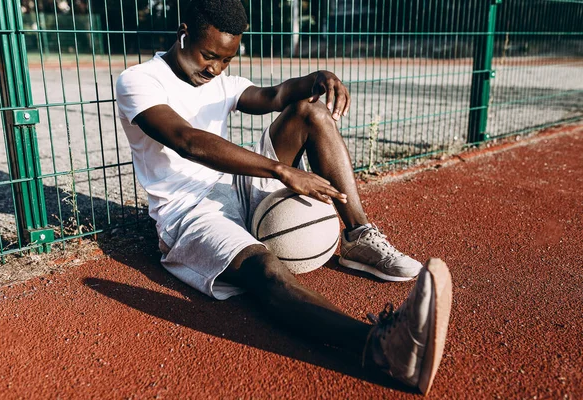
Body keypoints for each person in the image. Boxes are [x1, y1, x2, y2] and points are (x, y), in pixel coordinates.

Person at [116, 0, 452, 394]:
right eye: (209, 56)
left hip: (234, 184)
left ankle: (359, 235)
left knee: (310, 112)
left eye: (226, 60)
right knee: (266, 271)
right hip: (189, 212)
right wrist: (282, 171)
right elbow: (187, 141)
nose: (215, 69)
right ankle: (382, 347)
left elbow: (274, 95)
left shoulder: (221, 82)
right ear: (183, 32)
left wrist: (318, 78)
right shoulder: (139, 80)